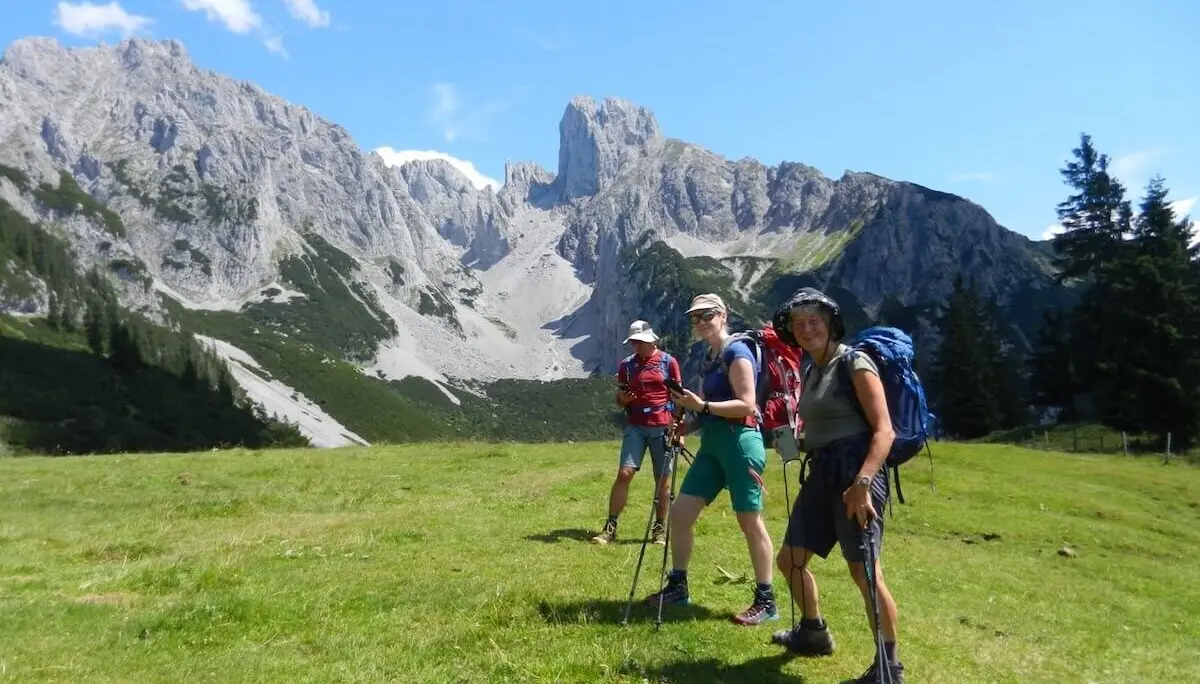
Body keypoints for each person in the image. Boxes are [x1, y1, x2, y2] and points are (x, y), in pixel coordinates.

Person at [769, 287, 906, 684]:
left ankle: (889, 669)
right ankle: (813, 633)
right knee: (790, 560)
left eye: (814, 322)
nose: (807, 329)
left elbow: (884, 431)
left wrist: (862, 484)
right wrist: (795, 443)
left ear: (830, 325)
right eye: (799, 324)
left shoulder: (855, 363)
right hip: (822, 472)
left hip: (856, 475)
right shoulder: (811, 369)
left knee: (865, 572)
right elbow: (823, 427)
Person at [644, 293, 778, 626]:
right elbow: (712, 408)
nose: (701, 322)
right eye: (695, 317)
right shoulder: (710, 355)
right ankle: (679, 586)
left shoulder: (736, 351)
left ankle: (766, 600)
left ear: (723, 314)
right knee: (681, 514)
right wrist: (688, 424)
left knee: (749, 520)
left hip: (741, 442)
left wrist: (699, 407)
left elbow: (747, 405)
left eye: (707, 315)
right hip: (715, 444)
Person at [592, 320, 683, 545]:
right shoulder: (627, 365)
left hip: (662, 426)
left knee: (662, 480)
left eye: (639, 342)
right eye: (633, 342)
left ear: (651, 340)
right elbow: (620, 399)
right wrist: (622, 400)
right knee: (625, 473)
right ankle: (610, 526)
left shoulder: (668, 362)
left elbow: (678, 396)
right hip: (636, 425)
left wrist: (679, 428)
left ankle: (659, 528)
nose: (636, 346)